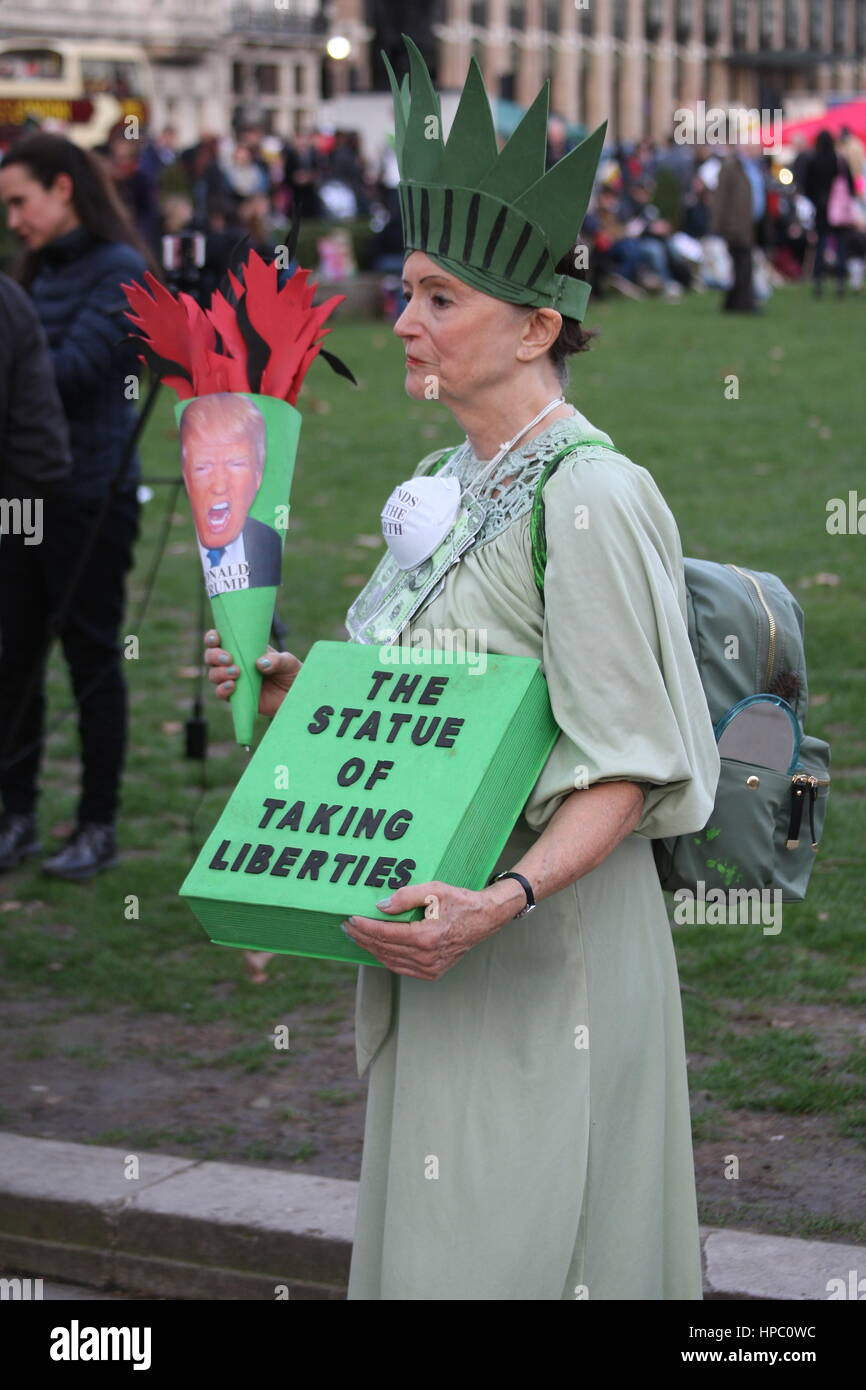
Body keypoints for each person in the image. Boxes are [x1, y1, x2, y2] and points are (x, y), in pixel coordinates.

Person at [203, 37, 719, 1299]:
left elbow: (633, 762)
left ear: (537, 323)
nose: (406, 320)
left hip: (547, 949)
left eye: (441, 297)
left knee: (520, 1246)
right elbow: (414, 703)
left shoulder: (589, 492)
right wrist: (293, 698)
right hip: (434, 932)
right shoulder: (439, 483)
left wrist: (505, 903)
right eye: (407, 287)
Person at [0, 134, 152, 879]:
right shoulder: (33, 272)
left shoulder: (119, 270)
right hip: (20, 498)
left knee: (92, 657)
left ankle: (97, 824)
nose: (14, 222)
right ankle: (16, 812)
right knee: (13, 657)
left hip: (90, 498)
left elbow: (70, 375)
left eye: (21, 203)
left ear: (64, 189)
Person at [180, 392, 282, 597]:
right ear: (186, 477)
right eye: (202, 467)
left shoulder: (268, 545)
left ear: (258, 475)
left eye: (236, 464)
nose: (218, 486)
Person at [803, 129, 857, 298]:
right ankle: (840, 281)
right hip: (838, 210)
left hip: (821, 210)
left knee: (821, 245)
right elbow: (850, 187)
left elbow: (807, 185)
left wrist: (817, 200)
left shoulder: (814, 161)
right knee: (840, 245)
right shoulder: (839, 161)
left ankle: (818, 280)